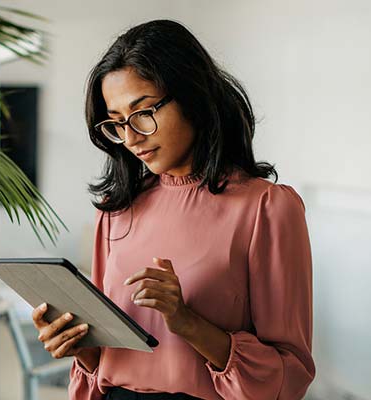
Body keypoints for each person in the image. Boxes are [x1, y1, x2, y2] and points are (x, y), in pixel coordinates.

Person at [32, 19, 316, 400]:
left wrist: (186, 321)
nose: (131, 138)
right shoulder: (115, 211)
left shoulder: (267, 208)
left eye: (144, 112)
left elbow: (290, 375)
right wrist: (78, 347)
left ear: (192, 97)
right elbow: (105, 363)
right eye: (116, 124)